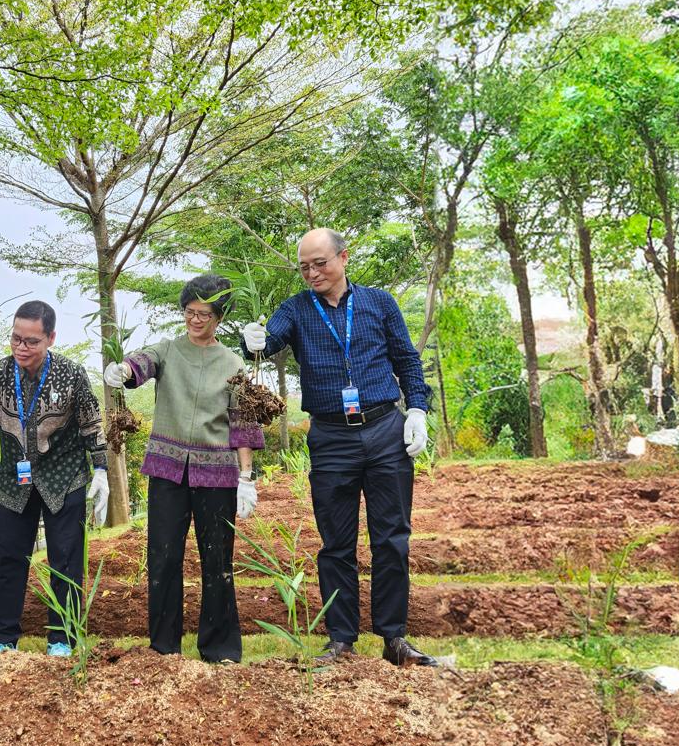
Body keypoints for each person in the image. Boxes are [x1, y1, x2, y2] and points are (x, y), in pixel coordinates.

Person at [242, 228, 437, 667]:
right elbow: (269, 340)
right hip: (331, 438)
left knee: (392, 539)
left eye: (320, 263)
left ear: (343, 258)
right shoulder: (296, 309)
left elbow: (407, 359)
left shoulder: (380, 303)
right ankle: (341, 640)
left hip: (385, 429)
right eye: (304, 267)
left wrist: (417, 409)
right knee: (336, 544)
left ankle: (394, 638)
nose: (312, 273)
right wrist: (252, 339)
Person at [0, 300, 110, 657]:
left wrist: (101, 470)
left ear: (51, 338)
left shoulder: (72, 374)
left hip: (65, 478)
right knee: (9, 559)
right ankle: (2, 638)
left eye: (31, 341)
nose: (21, 347)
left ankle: (63, 638)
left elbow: (91, 424)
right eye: (16, 339)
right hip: (15, 482)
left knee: (66, 560)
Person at [104, 274, 261, 664]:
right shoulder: (169, 350)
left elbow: (243, 421)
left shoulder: (232, 362)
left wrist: (246, 477)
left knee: (217, 559)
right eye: (190, 311)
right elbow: (143, 362)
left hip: (217, 474)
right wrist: (123, 370)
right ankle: (163, 647)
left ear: (219, 317)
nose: (195, 320)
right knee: (163, 557)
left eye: (204, 314)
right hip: (168, 472)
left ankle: (220, 649)